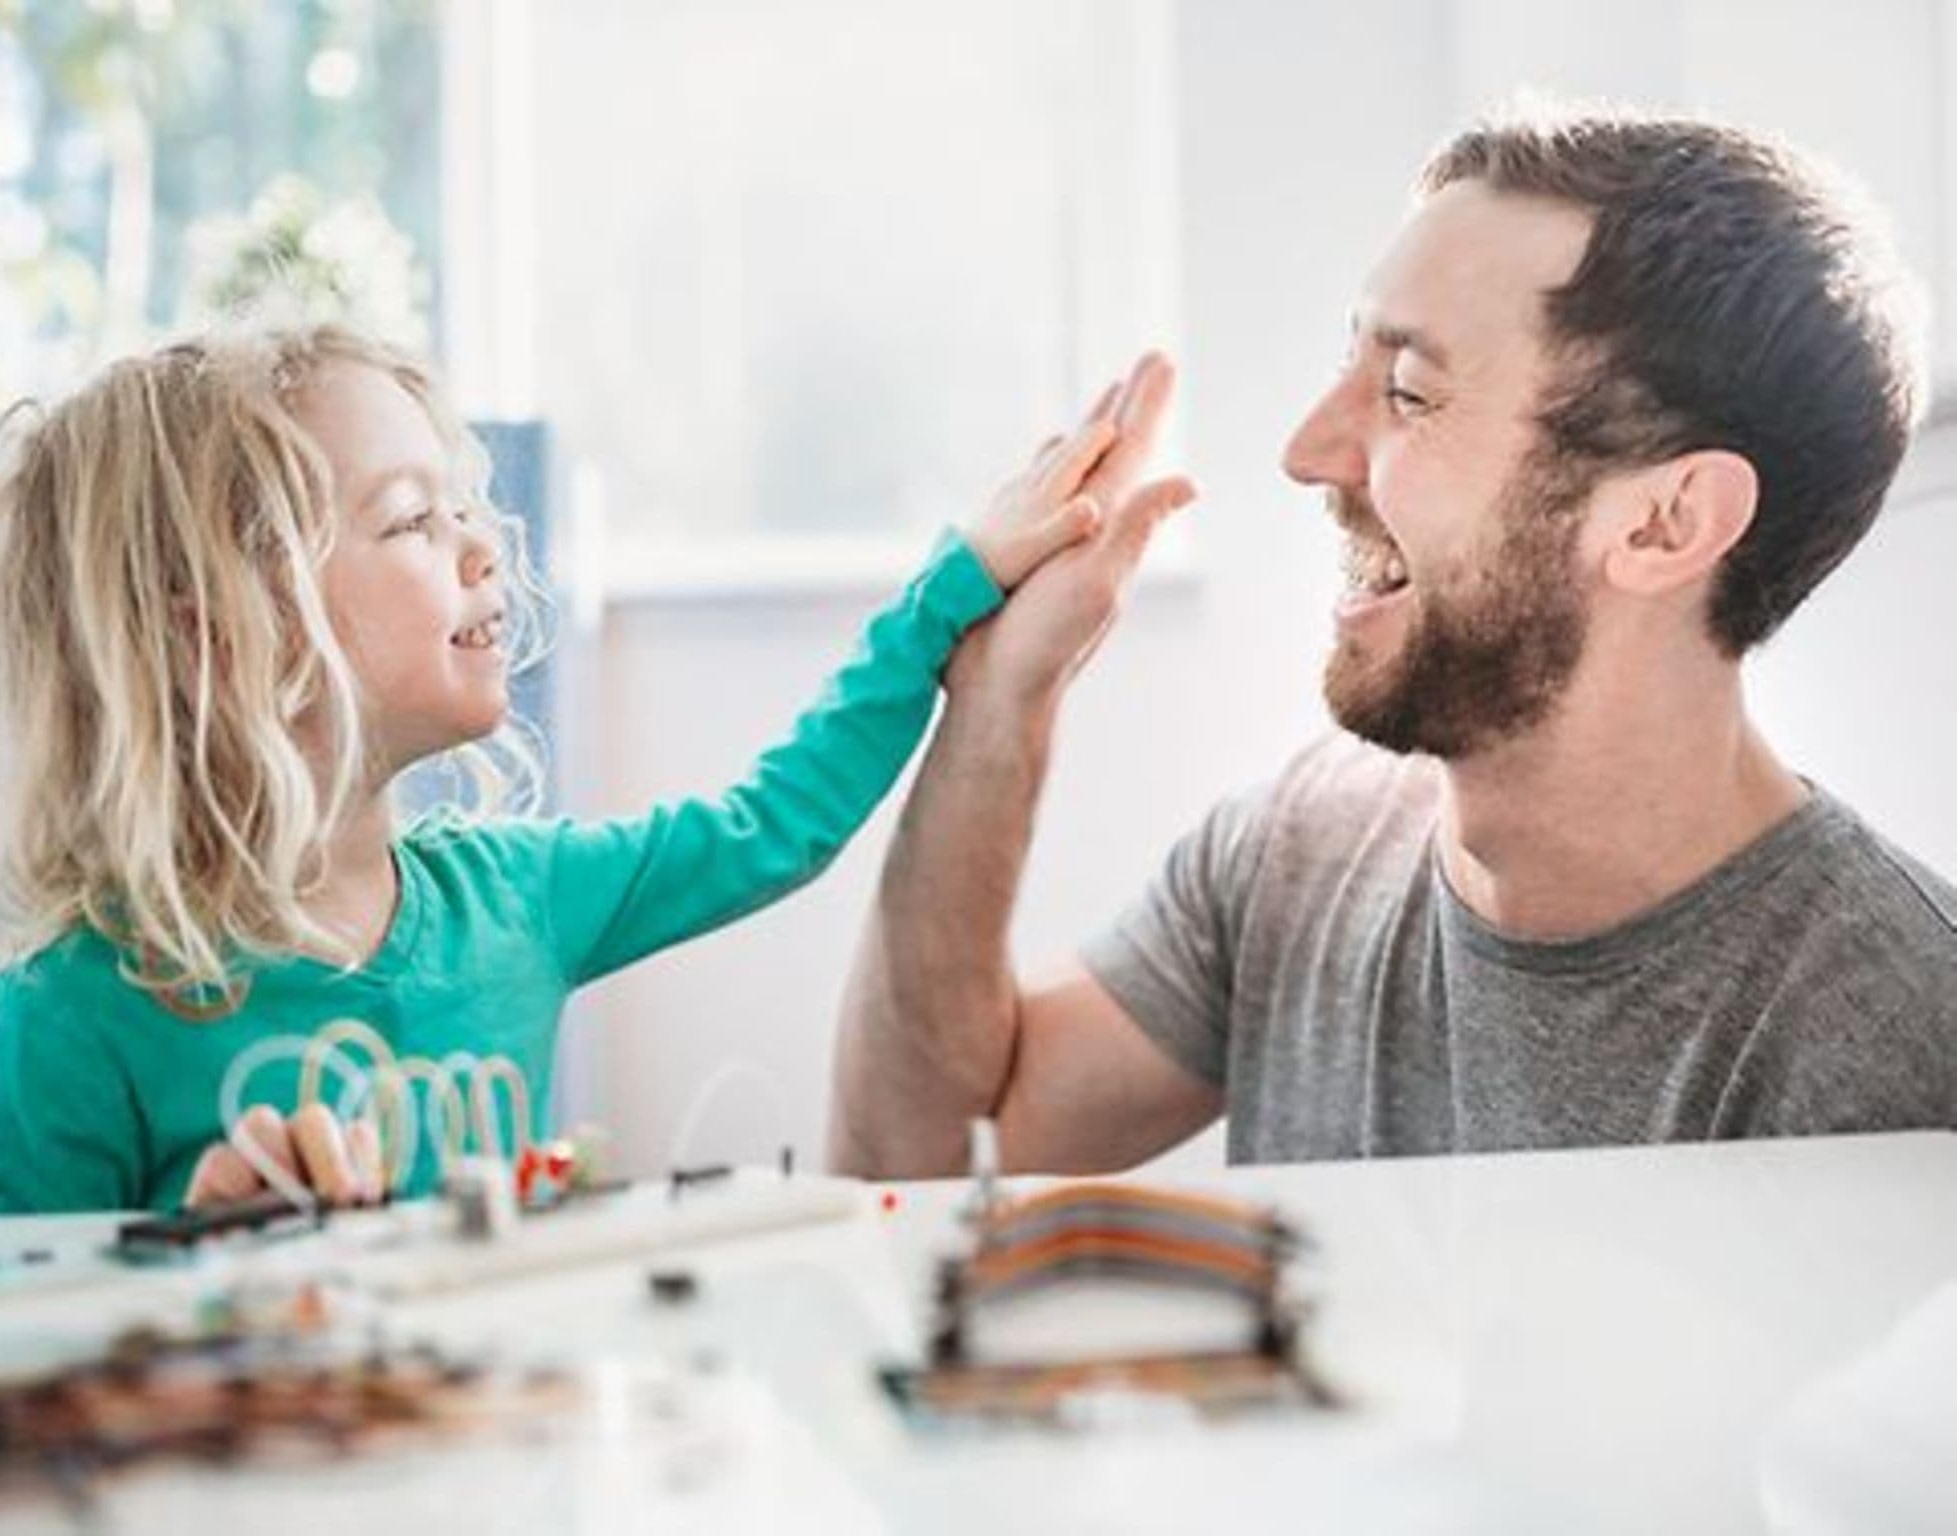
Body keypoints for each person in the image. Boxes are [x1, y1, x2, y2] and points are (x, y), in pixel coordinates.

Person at [829, 107, 1957, 1178]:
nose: (1306, 449)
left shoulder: (1889, 1045)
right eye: (1348, 368)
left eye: (1409, 394)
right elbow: (913, 1164)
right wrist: (998, 701)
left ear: (1665, 522)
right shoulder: (1302, 849)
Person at [0, 322, 1187, 1213]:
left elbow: (776, 824)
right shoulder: (79, 1007)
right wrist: (180, 1267)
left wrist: (954, 586)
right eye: (414, 519)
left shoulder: (516, 898)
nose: (484, 545)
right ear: (219, 624)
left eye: (462, 504)